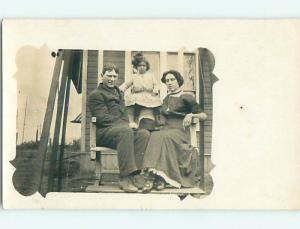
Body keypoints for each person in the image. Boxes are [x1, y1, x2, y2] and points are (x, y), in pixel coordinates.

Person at [88, 63, 150, 193]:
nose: (112, 79)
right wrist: (126, 125)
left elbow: (124, 116)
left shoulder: (118, 92)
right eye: (108, 75)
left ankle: (135, 174)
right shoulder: (96, 95)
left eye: (115, 76)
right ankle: (124, 178)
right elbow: (102, 118)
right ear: (101, 76)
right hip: (104, 133)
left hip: (120, 131)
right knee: (126, 131)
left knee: (143, 134)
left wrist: (129, 125)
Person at [141, 70, 207, 193]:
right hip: (166, 130)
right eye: (167, 81)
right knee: (155, 135)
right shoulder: (165, 99)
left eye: (172, 80)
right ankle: (158, 178)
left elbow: (203, 115)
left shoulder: (187, 97)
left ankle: (152, 178)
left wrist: (191, 115)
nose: (170, 83)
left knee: (161, 137)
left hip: (180, 131)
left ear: (178, 81)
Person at [119, 52, 162, 129]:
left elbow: (156, 84)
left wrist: (155, 90)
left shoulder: (151, 76)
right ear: (136, 67)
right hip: (137, 95)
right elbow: (126, 84)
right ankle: (135, 120)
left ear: (146, 67)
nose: (142, 67)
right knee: (135, 105)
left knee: (157, 104)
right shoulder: (134, 76)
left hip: (149, 95)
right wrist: (121, 89)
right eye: (139, 66)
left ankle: (157, 120)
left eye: (144, 66)